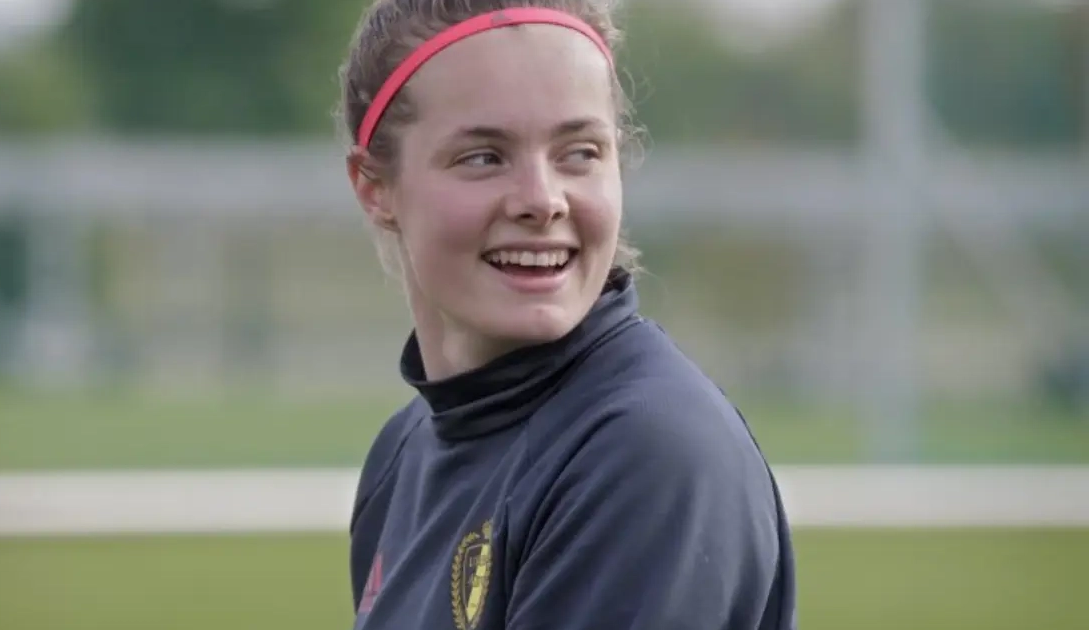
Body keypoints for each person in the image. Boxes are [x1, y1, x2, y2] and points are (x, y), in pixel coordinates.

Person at [336, 1, 797, 628]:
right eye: (483, 157)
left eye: (579, 152)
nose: (542, 199)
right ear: (374, 188)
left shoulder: (645, 454)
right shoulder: (403, 452)